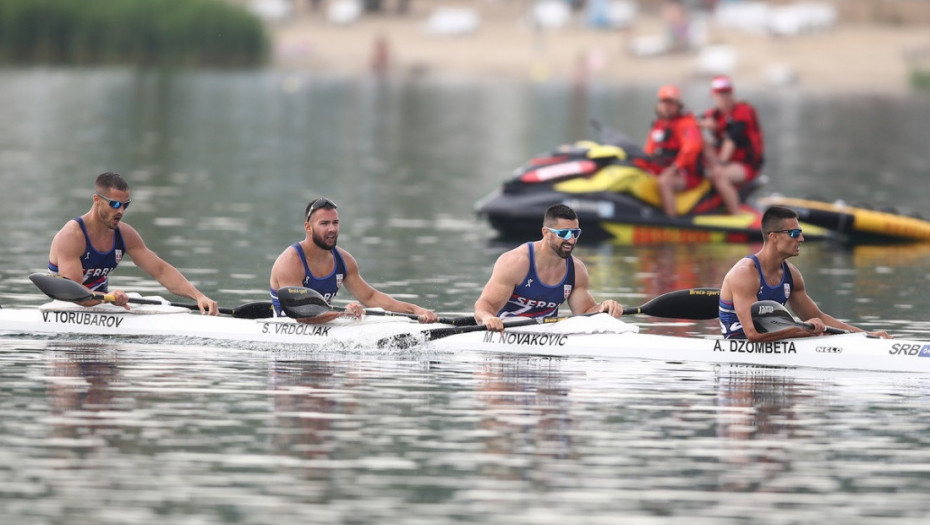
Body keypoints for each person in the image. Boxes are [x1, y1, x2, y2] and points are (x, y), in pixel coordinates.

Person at [48, 172, 219, 315]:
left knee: (158, 302)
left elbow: (161, 271)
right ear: (96, 199)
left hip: (104, 303)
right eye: (114, 204)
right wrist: (110, 298)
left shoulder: (125, 234)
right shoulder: (72, 235)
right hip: (69, 307)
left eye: (125, 205)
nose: (121, 211)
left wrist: (198, 296)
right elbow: (75, 294)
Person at [718, 206, 891, 341]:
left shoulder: (792, 274)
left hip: (774, 338)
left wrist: (867, 335)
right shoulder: (745, 273)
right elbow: (753, 334)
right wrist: (803, 330)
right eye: (794, 233)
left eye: (800, 233)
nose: (801, 239)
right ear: (773, 237)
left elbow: (817, 317)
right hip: (740, 346)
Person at [269, 197, 438, 324]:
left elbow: (371, 297)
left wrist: (415, 309)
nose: (332, 229)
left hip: (323, 323)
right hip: (289, 333)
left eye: (335, 223)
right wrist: (344, 313)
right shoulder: (290, 262)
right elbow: (302, 316)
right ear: (308, 227)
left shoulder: (344, 260)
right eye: (324, 223)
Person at [474, 204, 623, 332]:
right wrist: (488, 318)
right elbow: (485, 305)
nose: (571, 240)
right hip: (507, 330)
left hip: (548, 334)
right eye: (564, 233)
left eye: (576, 233)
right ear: (546, 232)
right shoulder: (515, 262)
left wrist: (604, 308)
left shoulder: (577, 270)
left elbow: (584, 312)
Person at [699, 75, 765, 215]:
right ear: (713, 95)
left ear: (732, 93)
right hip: (725, 161)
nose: (724, 97)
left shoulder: (743, 111)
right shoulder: (713, 114)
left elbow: (731, 140)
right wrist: (704, 124)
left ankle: (736, 214)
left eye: (726, 93)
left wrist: (719, 165)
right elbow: (689, 124)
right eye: (720, 93)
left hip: (745, 165)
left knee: (719, 175)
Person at [636, 84, 705, 218]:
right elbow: (649, 151)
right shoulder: (658, 125)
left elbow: (692, 148)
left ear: (678, 105)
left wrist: (675, 167)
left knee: (664, 182)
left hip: (687, 174)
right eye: (664, 102)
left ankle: (671, 220)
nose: (667, 106)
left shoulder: (686, 123)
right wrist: (638, 165)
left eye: (671, 102)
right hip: (663, 169)